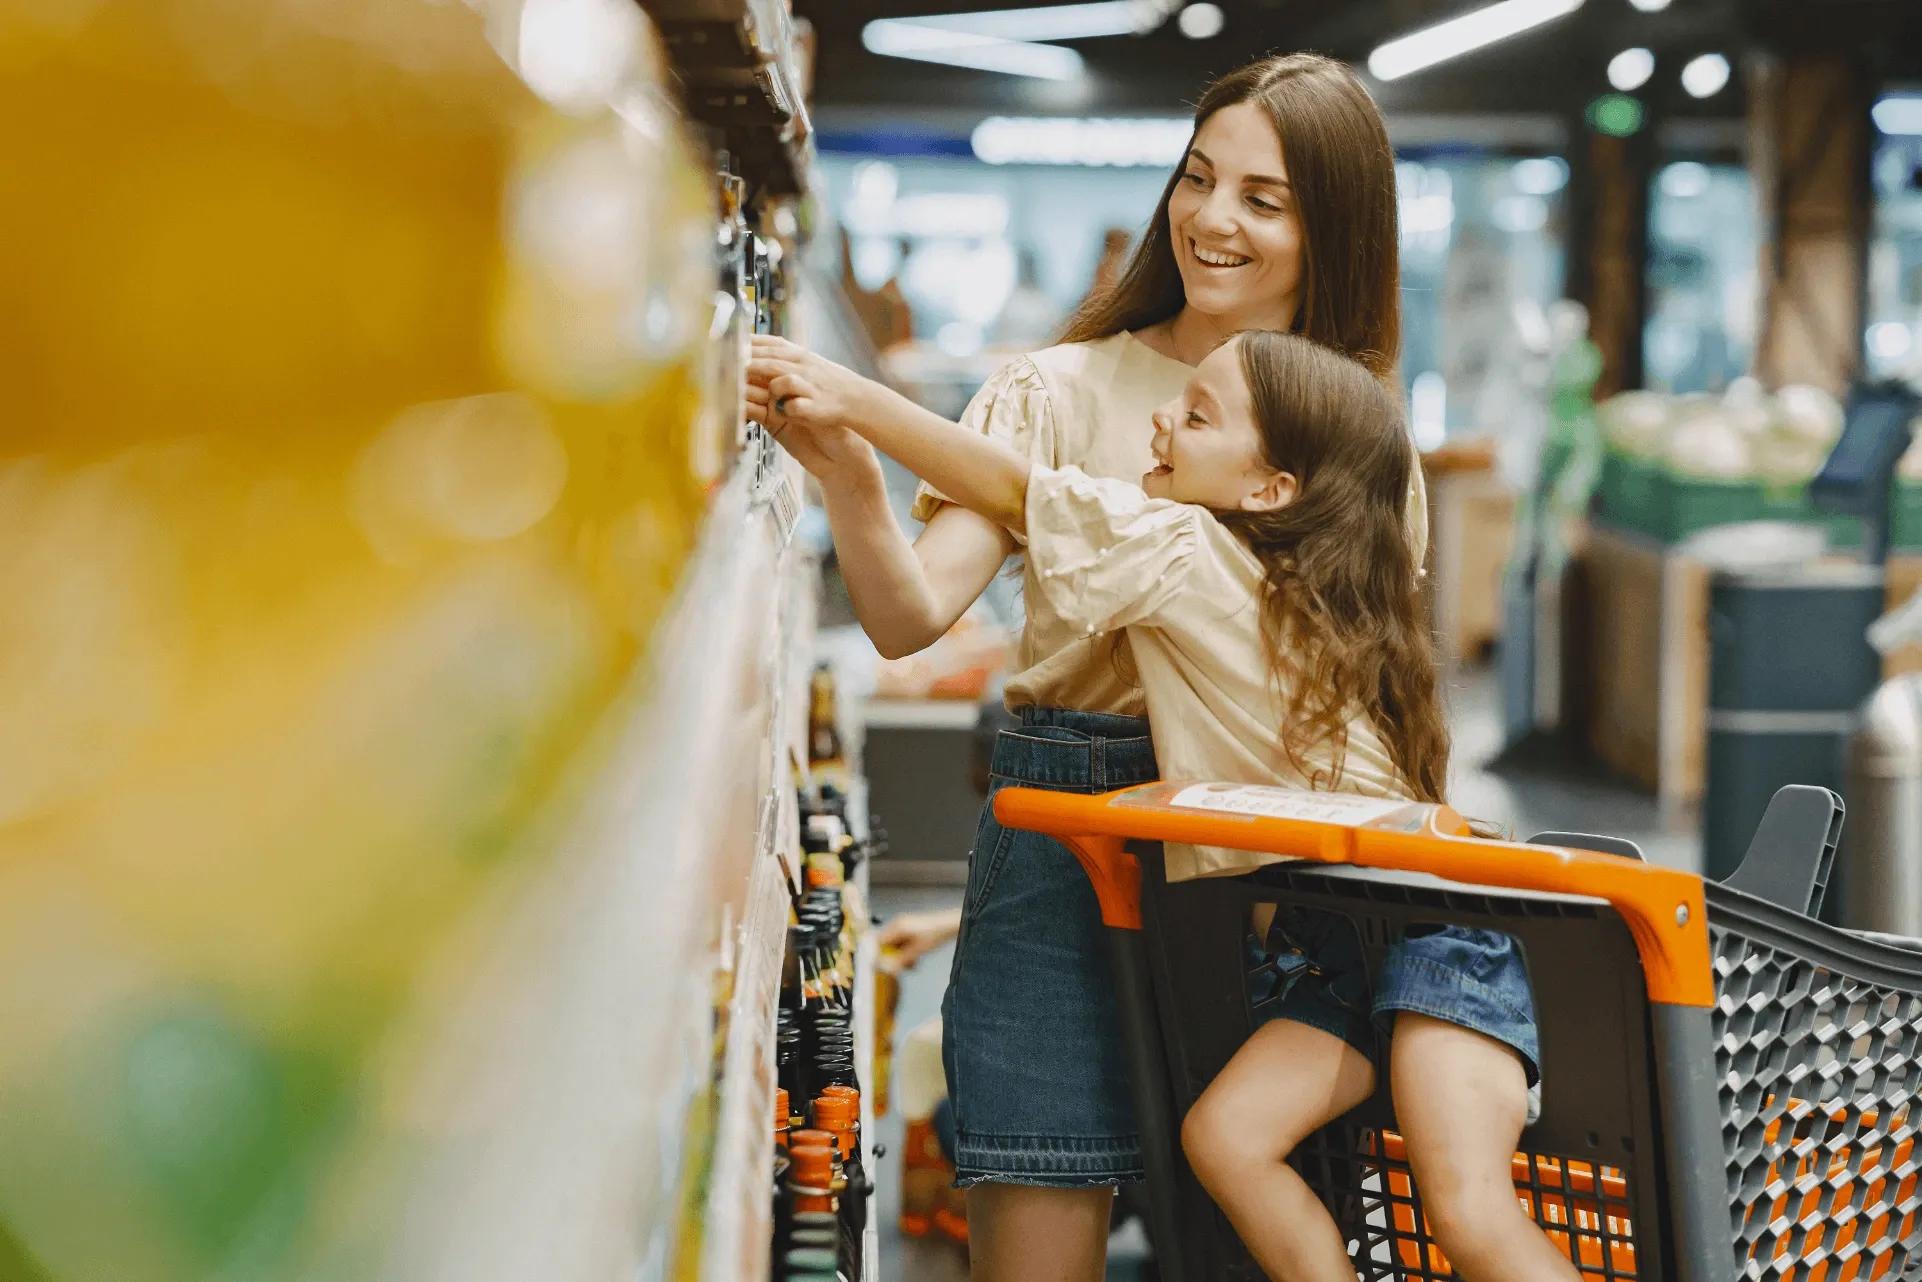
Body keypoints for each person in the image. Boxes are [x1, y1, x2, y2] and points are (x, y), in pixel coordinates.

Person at [752, 52, 1424, 1282]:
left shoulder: (1354, 432)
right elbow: (909, 617)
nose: (1213, 219)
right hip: (1064, 835)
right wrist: (849, 472)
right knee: (1038, 1213)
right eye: (1198, 177)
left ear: (1331, 223)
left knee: (1244, 1226)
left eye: (1263, 199)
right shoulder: (1055, 387)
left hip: (1269, 864)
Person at [748, 329, 1566, 1282]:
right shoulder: (1287, 581)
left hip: (1436, 935)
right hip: (1332, 946)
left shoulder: (1190, 552)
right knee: (1224, 1139)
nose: (1159, 418)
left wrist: (856, 401)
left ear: (1270, 489)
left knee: (1467, 1212)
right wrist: (851, 468)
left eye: (1198, 414)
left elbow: (1021, 492)